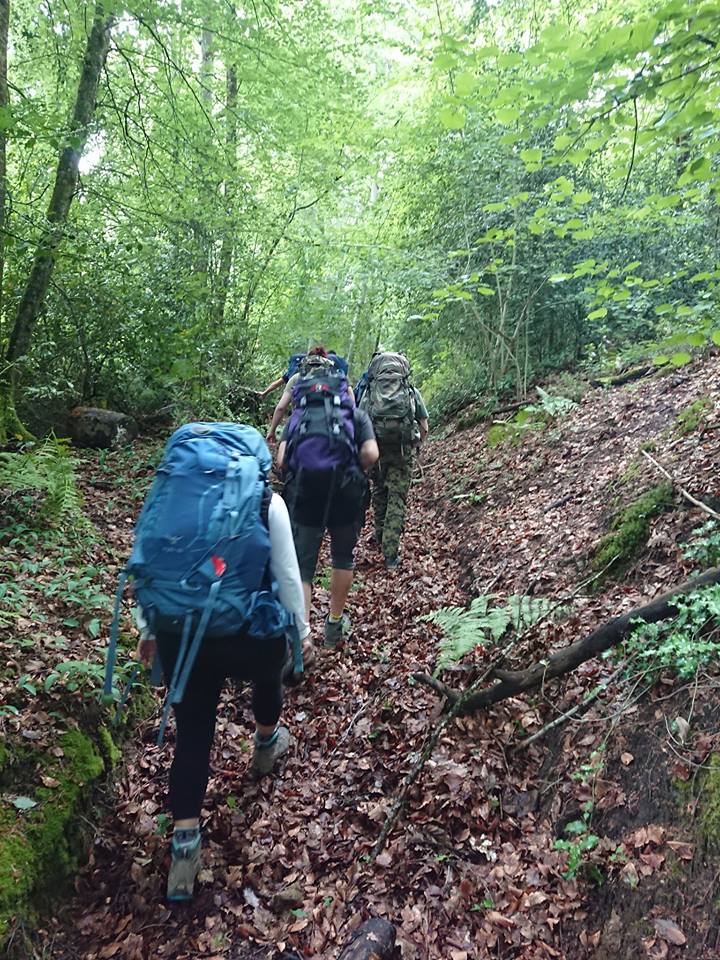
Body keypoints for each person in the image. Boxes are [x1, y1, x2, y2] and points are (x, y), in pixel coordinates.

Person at [124, 423, 309, 902]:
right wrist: (300, 637)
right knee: (271, 670)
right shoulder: (269, 502)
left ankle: (184, 851)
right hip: (243, 633)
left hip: (181, 632)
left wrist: (149, 630)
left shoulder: (171, 492)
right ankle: (266, 744)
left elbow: (147, 558)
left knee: (193, 736)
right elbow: (289, 579)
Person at [275, 350, 378, 647]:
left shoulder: (298, 418)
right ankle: (333, 625)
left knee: (303, 566)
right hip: (346, 493)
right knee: (342, 557)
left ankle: (303, 636)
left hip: (306, 493)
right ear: (344, 390)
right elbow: (371, 454)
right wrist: (351, 468)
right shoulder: (356, 416)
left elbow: (282, 461)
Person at [360, 352, 429, 571]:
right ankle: (390, 555)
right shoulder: (410, 391)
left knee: (380, 492)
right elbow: (424, 426)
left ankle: (379, 536)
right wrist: (417, 445)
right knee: (397, 499)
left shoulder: (371, 392)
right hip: (402, 450)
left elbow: (360, 420)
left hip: (376, 450)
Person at [266, 347, 355, 442]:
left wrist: (272, 431)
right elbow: (351, 400)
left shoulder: (297, 378)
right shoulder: (337, 378)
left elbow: (281, 407)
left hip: (301, 425)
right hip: (330, 426)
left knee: (285, 446)